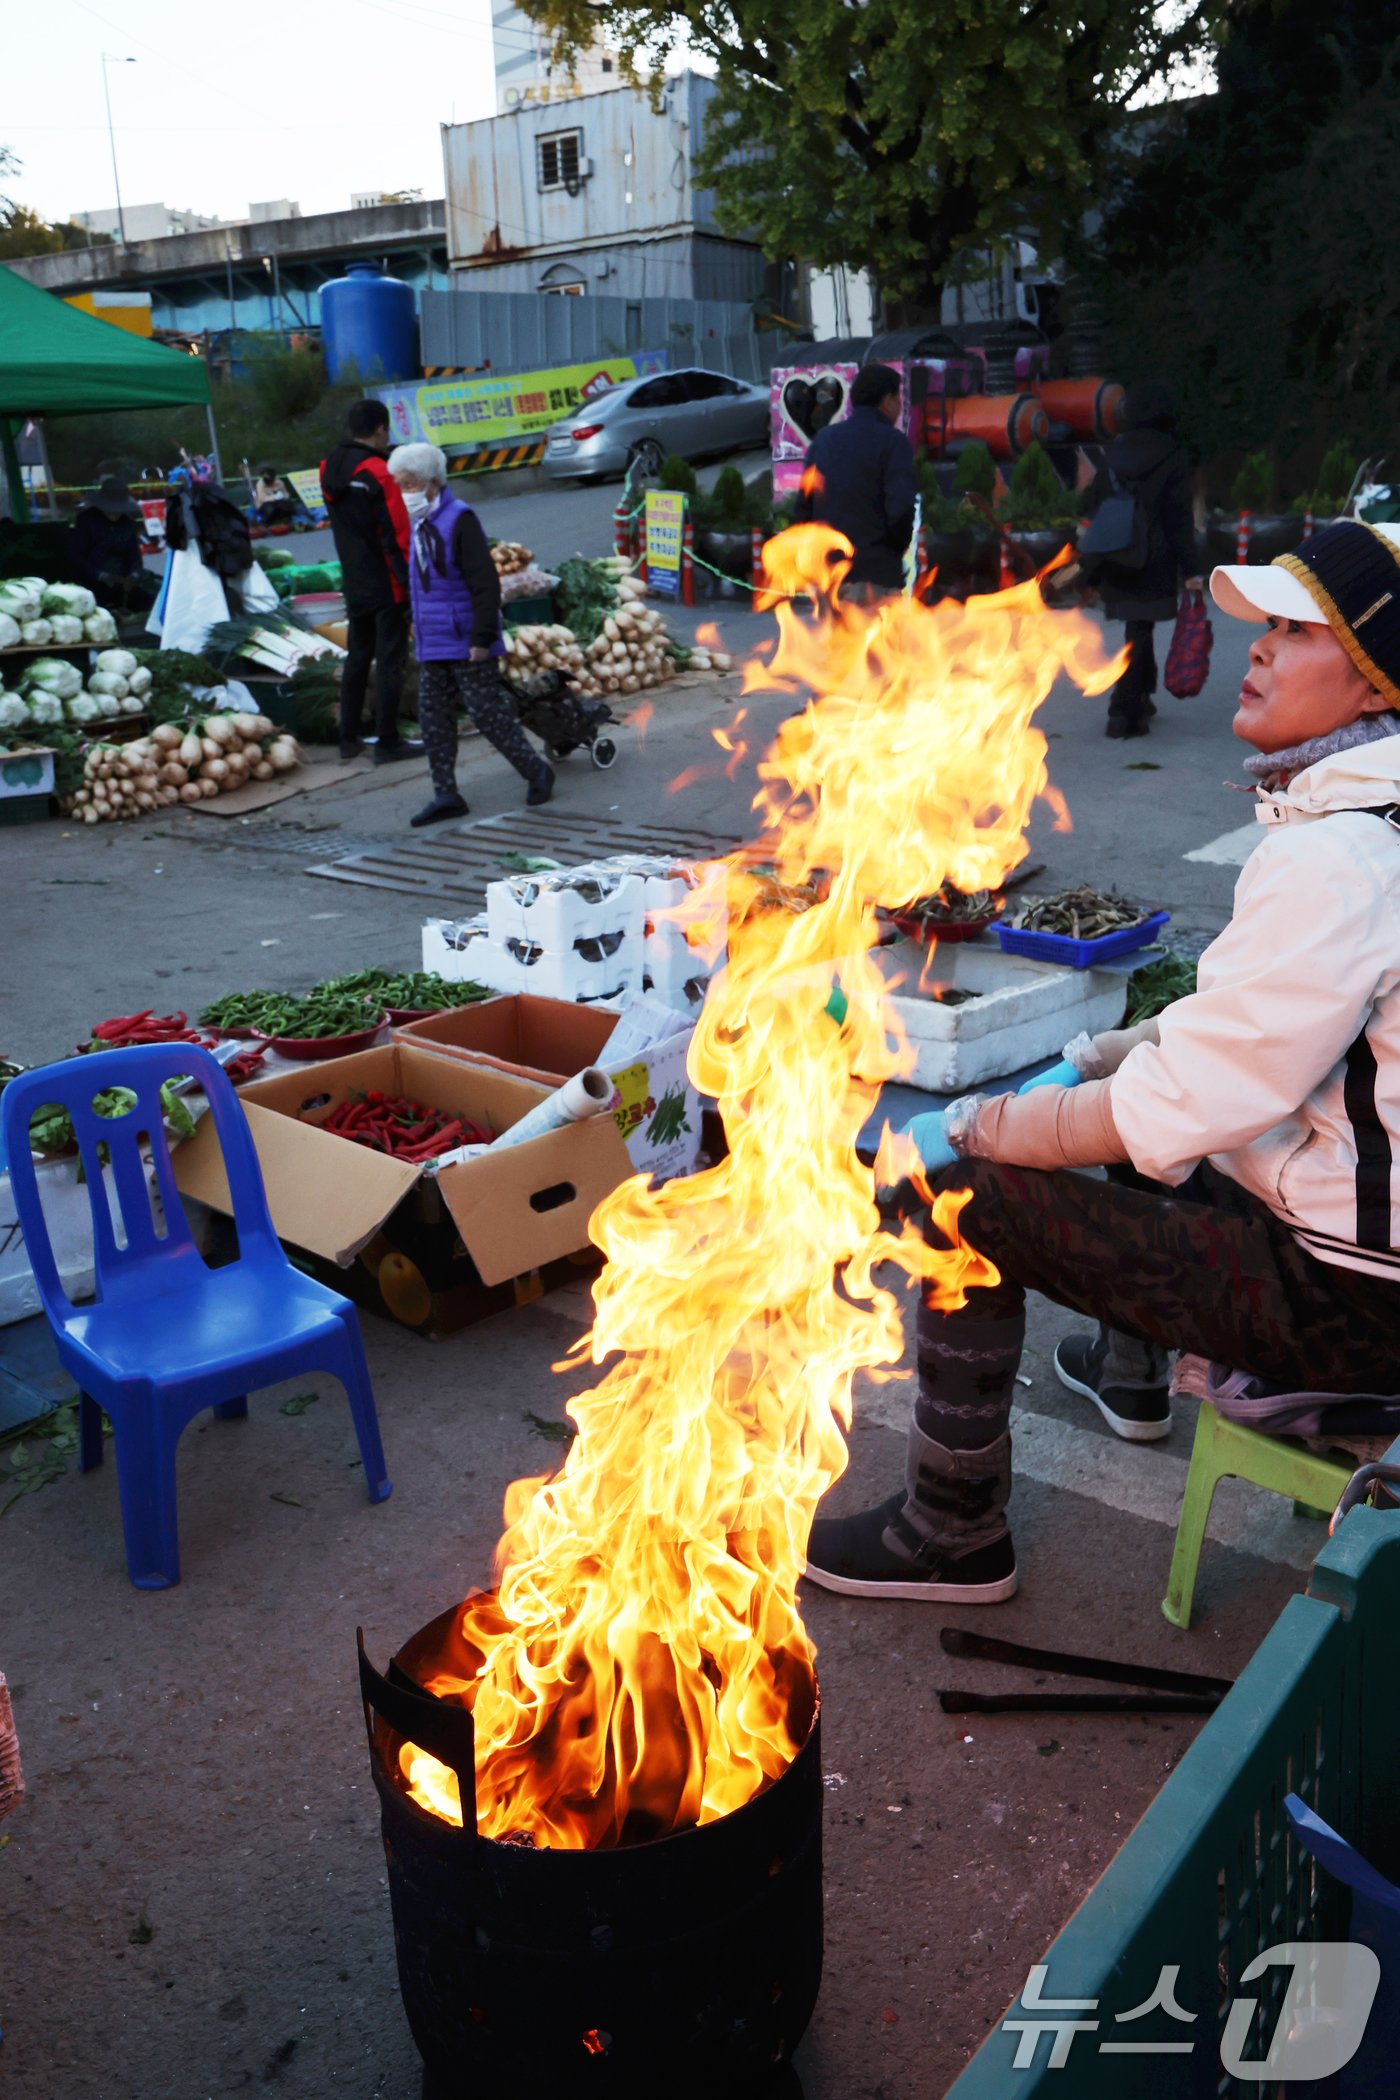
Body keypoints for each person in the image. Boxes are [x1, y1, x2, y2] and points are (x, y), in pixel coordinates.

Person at [805, 518, 1400, 1605]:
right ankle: (1128, 1379)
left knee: (959, 1195)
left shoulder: (1342, 854)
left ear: (1371, 685)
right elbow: (1253, 1029)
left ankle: (949, 1531)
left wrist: (990, 1129)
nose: (1254, 650)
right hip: (1365, 1245)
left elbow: (1190, 1098)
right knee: (1135, 1124)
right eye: (1258, 628)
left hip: (1357, 1305)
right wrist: (1093, 1055)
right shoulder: (1370, 819)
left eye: (1288, 631)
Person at [387, 441, 554, 826]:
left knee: (487, 712)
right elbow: (425, 582)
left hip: (465, 638)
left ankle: (537, 770)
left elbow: (484, 584)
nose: (404, 492)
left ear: (431, 482)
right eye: (400, 484)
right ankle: (446, 793)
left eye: (409, 483)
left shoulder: (460, 518)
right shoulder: (421, 523)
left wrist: (481, 638)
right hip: (434, 639)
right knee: (434, 717)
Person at [1079, 380, 1203, 739]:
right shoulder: (1171, 453)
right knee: (1140, 629)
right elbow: (1179, 517)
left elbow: (1089, 502)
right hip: (1154, 556)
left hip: (1116, 553)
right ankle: (1124, 709)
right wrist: (1191, 570)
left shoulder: (1115, 453)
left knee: (1137, 628)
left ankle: (1140, 695)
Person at [320, 401, 421, 766]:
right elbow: (397, 534)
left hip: (355, 578)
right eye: (387, 429)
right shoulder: (379, 472)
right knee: (391, 660)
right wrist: (409, 582)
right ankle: (388, 741)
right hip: (386, 582)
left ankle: (348, 739)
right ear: (379, 428)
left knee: (358, 657)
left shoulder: (329, 467)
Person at [793, 363, 918, 596]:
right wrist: (893, 551)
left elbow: (803, 508)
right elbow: (900, 509)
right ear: (887, 400)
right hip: (874, 576)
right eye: (898, 397)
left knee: (830, 634)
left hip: (828, 576)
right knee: (878, 634)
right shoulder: (893, 442)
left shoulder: (823, 440)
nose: (900, 405)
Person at [69, 476, 158, 612]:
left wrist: (133, 575)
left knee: (149, 603)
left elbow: (134, 556)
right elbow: (76, 556)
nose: (115, 514)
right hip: (91, 584)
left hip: (122, 585)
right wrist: (101, 576)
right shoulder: (86, 521)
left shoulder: (127, 524)